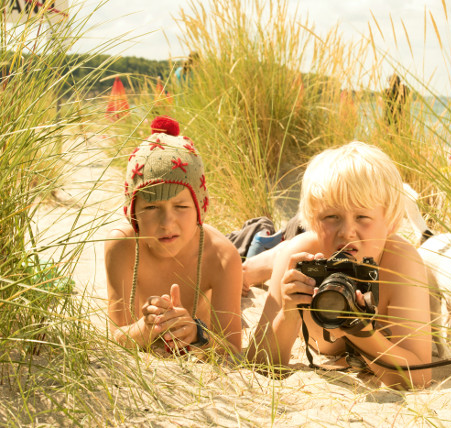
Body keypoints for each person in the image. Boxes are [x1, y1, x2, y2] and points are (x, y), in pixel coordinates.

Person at [248, 142, 432, 389]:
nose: (346, 232)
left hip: (346, 246)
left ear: (391, 222)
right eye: (332, 217)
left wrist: (357, 327)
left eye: (362, 217)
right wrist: (289, 314)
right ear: (313, 220)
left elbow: (418, 377)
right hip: (298, 242)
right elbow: (258, 364)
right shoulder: (300, 255)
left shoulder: (400, 263)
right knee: (265, 262)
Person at [105, 116, 242, 356]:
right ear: (133, 213)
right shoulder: (121, 246)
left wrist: (198, 335)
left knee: (246, 273)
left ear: (200, 208)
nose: (167, 223)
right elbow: (117, 337)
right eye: (151, 207)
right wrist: (145, 328)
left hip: (205, 321)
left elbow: (233, 352)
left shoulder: (222, 256)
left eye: (181, 207)